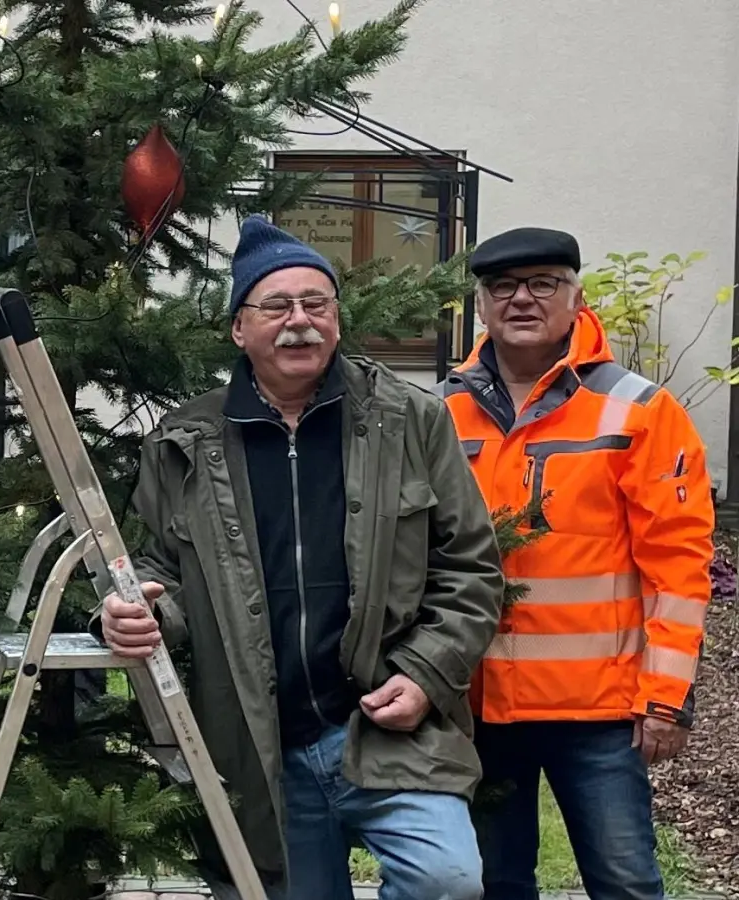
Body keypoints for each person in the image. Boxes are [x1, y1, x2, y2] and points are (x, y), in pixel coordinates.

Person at [96, 215, 506, 900]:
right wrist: (134, 615)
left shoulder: (409, 420)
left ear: (337, 321)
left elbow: (470, 566)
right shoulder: (183, 441)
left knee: (449, 880)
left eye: (316, 304)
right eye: (277, 305)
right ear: (238, 328)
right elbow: (156, 570)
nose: (300, 322)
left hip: (385, 725)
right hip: (264, 746)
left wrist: (427, 674)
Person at [437, 226, 714, 900]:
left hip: (599, 712)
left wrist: (665, 699)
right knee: (493, 883)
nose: (522, 299)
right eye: (503, 286)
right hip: (479, 706)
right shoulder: (442, 413)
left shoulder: (639, 411)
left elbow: (678, 566)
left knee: (624, 884)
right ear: (481, 305)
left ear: (576, 296)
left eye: (543, 284)